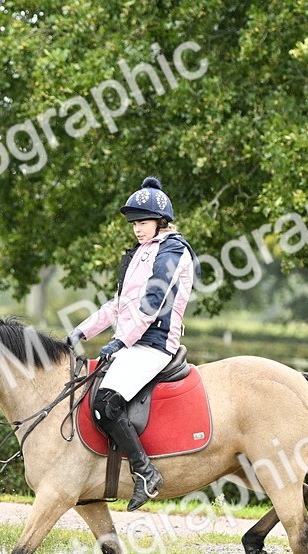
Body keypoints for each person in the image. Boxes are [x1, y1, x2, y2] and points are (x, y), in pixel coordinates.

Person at [67, 176, 198, 511]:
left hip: (154, 344)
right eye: (134, 223)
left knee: (104, 404)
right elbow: (117, 305)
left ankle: (146, 472)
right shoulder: (138, 253)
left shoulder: (173, 250)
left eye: (144, 222)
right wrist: (80, 332)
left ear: (161, 221)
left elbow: (153, 303)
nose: (138, 229)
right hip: (130, 343)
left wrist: (119, 341)